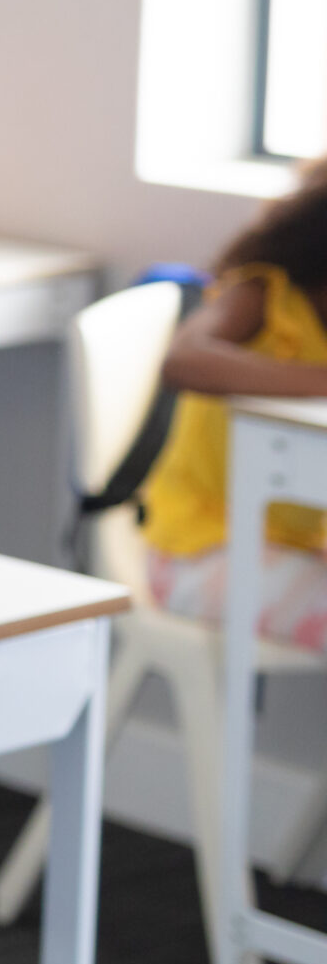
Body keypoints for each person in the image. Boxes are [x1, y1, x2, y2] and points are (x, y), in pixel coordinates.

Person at [138, 160, 327, 643]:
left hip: (300, 546)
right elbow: (184, 360)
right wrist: (315, 380)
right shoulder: (263, 294)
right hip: (198, 545)